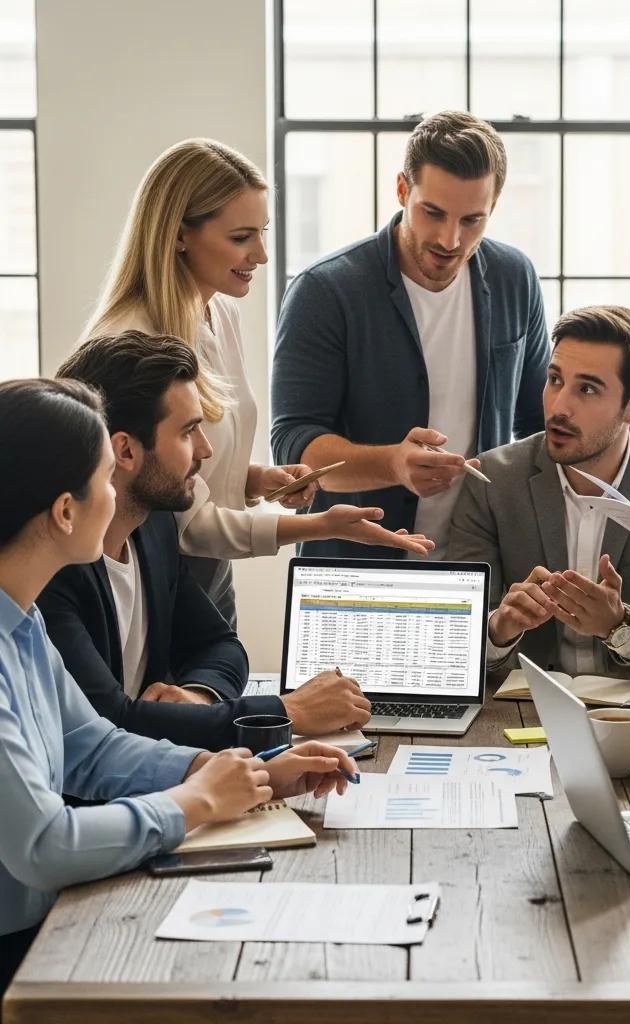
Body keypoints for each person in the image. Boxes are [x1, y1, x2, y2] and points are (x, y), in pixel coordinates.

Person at [0, 377, 358, 997]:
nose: (115, 496)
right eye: (106, 478)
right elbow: (43, 845)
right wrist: (197, 802)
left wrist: (245, 773)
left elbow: (94, 747)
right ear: (65, 511)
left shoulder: (22, 619)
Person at [83, 138, 432, 625]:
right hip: (153, 586)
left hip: (212, 573)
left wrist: (254, 480)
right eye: (242, 237)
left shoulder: (219, 312)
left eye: (262, 233)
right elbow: (183, 522)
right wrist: (317, 525)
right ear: (179, 234)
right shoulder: (132, 343)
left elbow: (196, 467)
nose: (262, 255)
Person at [38, 333, 373, 749]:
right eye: (188, 432)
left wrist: (199, 697)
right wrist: (288, 711)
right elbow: (107, 722)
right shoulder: (49, 568)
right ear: (124, 450)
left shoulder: (154, 528)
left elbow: (219, 644)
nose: (206, 450)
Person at [272, 110, 550, 561]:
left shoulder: (514, 277)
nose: (450, 239)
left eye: (472, 220)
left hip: (480, 564)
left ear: (494, 206)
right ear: (402, 190)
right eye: (433, 213)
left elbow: (538, 421)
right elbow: (294, 444)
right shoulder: (325, 291)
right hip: (356, 567)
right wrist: (393, 465)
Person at [447, 306, 630, 678]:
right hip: (519, 711)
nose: (559, 406)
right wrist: (499, 627)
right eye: (555, 380)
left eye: (587, 389)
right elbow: (455, 634)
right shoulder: (493, 479)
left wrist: (622, 624)